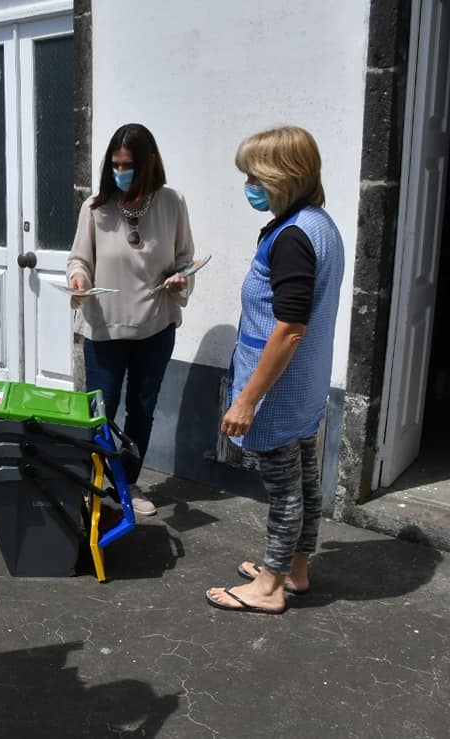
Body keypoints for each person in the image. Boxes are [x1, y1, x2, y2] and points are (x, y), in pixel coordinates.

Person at [205, 126, 344, 615]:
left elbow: (288, 329)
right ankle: (294, 570)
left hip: (277, 390)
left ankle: (268, 587)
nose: (249, 185)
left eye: (255, 177)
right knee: (304, 481)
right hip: (305, 384)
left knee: (284, 490)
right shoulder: (319, 224)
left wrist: (246, 399)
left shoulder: (292, 238)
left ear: (284, 176)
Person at [66, 123, 195, 517]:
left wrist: (181, 278)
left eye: (129, 166)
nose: (121, 172)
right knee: (100, 412)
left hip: (156, 326)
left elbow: (185, 259)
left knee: (142, 410)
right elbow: (79, 259)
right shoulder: (96, 208)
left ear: (149, 163)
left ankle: (128, 482)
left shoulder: (172, 202)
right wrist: (78, 278)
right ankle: (92, 484)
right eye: (116, 165)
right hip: (105, 327)